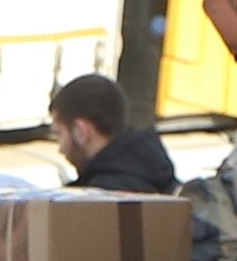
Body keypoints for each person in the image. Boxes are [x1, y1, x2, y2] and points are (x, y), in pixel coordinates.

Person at [51, 71, 181, 194]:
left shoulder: (98, 199)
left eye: (60, 134)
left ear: (82, 131)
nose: (61, 149)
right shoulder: (158, 176)